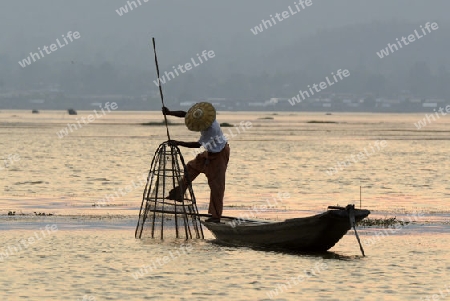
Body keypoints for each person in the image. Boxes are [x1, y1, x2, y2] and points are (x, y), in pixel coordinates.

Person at [162, 102, 230, 223]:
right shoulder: (204, 116)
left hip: (219, 155)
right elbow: (185, 114)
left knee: (217, 186)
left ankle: (216, 217)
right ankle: (179, 193)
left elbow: (197, 145)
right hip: (209, 153)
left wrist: (178, 142)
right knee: (191, 168)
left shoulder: (211, 129)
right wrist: (169, 112)